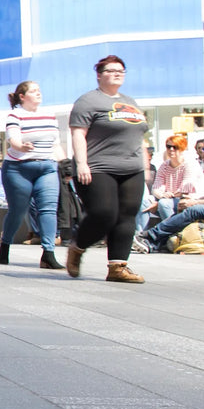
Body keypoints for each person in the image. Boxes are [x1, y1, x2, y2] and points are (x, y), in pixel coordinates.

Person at [68, 55, 147, 283]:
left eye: (121, 70)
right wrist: (82, 163)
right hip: (98, 166)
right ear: (99, 75)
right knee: (104, 213)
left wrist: (145, 164)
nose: (117, 73)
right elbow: (78, 134)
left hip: (132, 167)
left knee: (127, 215)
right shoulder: (88, 101)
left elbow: (139, 135)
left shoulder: (130, 102)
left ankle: (118, 267)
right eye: (111, 70)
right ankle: (78, 246)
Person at [0, 80, 62, 269]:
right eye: (33, 91)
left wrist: (65, 164)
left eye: (39, 90)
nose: (38, 93)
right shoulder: (15, 115)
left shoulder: (50, 115)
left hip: (47, 167)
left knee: (48, 209)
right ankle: (5, 244)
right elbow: (13, 139)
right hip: (19, 168)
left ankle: (48, 254)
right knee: (18, 211)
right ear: (22, 97)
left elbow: (55, 144)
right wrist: (21, 146)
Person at [138, 134, 204, 254]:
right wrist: (161, 195)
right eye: (169, 147)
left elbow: (185, 188)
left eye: (175, 147)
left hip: (182, 198)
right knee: (146, 202)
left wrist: (193, 201)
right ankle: (140, 235)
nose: (171, 150)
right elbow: (156, 188)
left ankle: (153, 237)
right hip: (178, 199)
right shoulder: (165, 165)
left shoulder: (190, 164)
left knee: (174, 206)